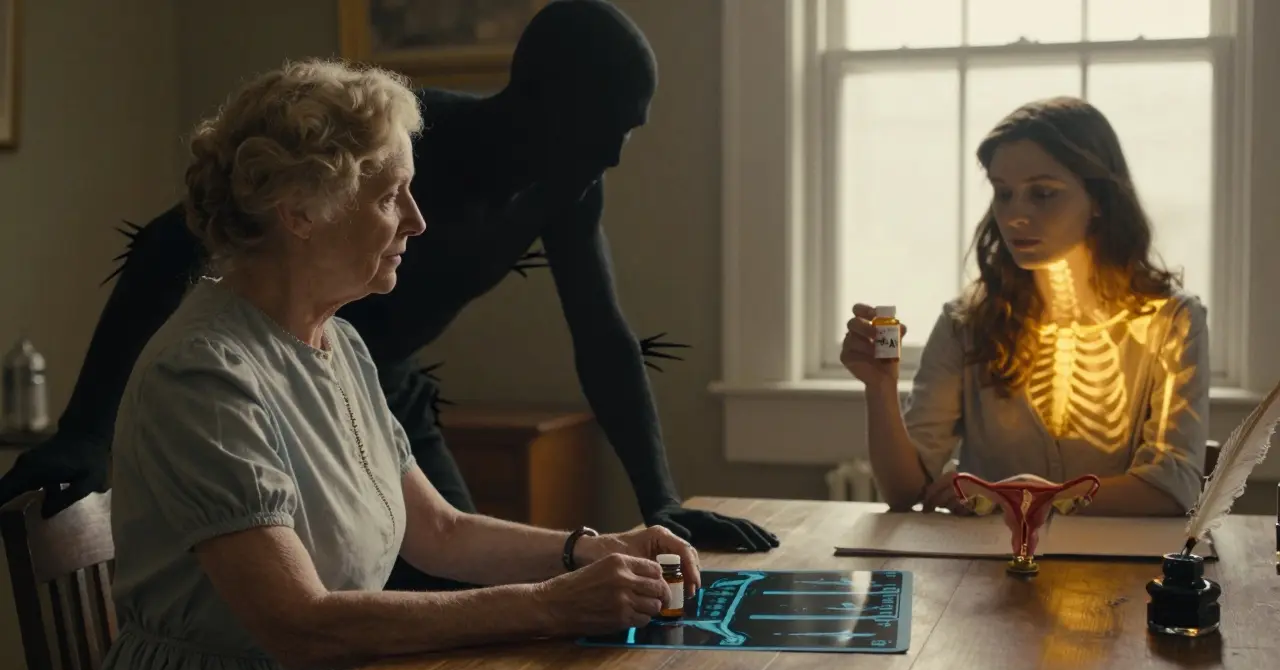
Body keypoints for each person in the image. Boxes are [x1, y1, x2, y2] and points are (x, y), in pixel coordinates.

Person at [0, 0, 778, 581]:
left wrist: (659, 502)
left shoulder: (568, 187)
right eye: (606, 126)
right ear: (542, 96)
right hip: (282, 380)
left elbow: (602, 335)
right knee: (412, 609)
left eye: (630, 131)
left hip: (374, 383)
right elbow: (170, 240)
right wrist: (84, 428)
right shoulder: (405, 144)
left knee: (467, 571)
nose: (615, 153)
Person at [84, 58, 701, 670]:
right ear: (300, 213)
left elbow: (439, 531)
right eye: (388, 197)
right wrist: (549, 605)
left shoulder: (340, 343)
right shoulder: (204, 374)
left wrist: (592, 549)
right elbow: (299, 625)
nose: (417, 220)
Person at [840, 96, 1209, 518]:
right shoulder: (968, 321)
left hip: (1120, 571)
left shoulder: (1172, 322)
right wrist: (880, 388)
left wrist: (1033, 496)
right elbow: (905, 492)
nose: (1014, 216)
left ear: (1100, 199)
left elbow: (1172, 488)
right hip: (983, 574)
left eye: (1043, 194)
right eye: (1003, 193)